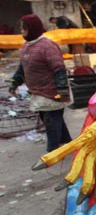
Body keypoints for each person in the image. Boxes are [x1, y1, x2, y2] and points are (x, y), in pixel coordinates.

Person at [9, 14, 72, 153]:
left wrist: (62, 90)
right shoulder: (25, 47)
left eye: (23, 29)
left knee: (51, 120)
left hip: (52, 91)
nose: (21, 32)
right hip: (38, 91)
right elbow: (22, 68)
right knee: (50, 118)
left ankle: (53, 149)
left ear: (32, 29)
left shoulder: (47, 46)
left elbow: (59, 68)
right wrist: (15, 82)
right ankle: (67, 141)